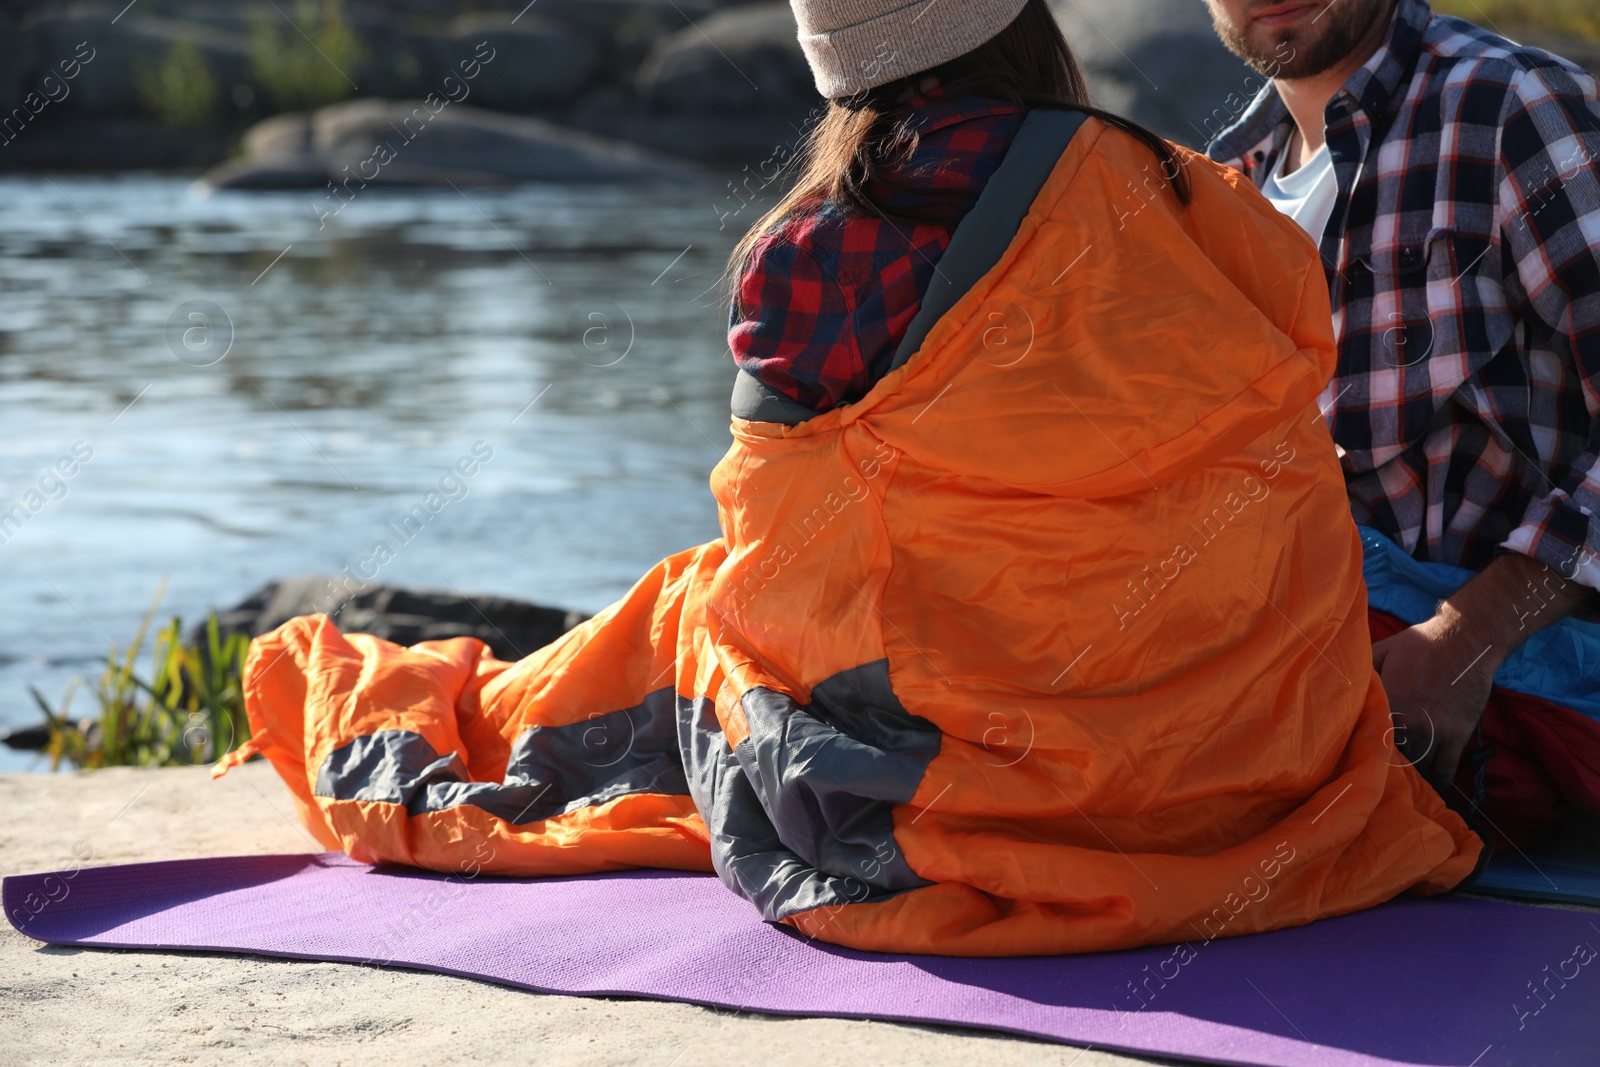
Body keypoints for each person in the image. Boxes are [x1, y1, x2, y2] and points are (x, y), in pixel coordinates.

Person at [221, 0, 1480, 956]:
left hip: (969, 809)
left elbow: (781, 561)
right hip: (1257, 769)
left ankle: (378, 711)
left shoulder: (813, 255)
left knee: (695, 610)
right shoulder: (1208, 207)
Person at [1206, 0, 1600, 848]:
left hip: (1528, 702)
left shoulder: (1512, 108)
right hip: (1320, 711)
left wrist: (1468, 637)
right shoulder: (1224, 180)